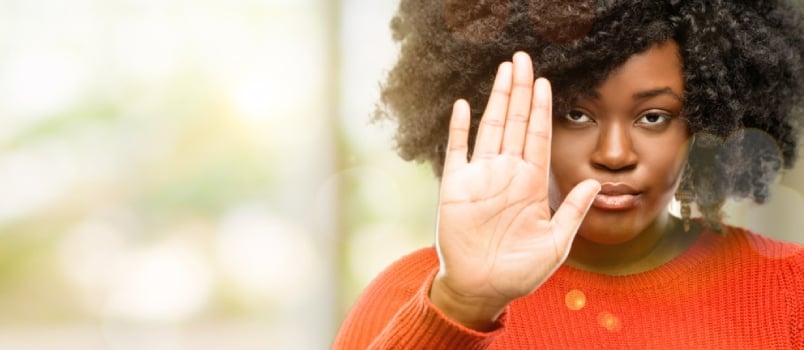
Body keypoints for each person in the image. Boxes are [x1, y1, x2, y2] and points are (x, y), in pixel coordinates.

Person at [333, 0, 804, 348]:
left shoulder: (790, 289)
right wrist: (461, 306)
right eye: (576, 115)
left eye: (654, 117)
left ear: (705, 121)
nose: (614, 154)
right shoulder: (415, 295)